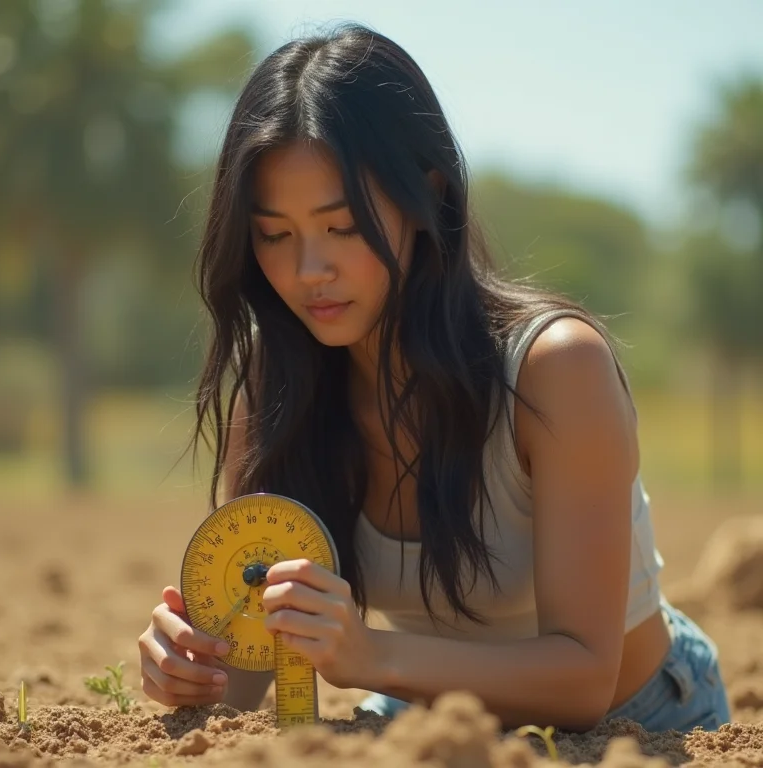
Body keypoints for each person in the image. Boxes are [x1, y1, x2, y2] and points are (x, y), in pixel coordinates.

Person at [137, 22, 730, 733]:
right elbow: (251, 668)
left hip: (638, 723)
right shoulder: (274, 387)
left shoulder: (555, 370)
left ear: (428, 198)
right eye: (275, 234)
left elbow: (583, 681)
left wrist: (369, 655)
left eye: (342, 225)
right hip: (428, 715)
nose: (308, 270)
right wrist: (192, 667)